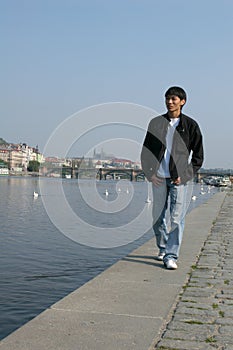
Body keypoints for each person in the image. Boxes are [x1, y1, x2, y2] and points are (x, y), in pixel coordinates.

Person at [141, 86, 204, 269]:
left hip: (178, 180)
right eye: (167, 98)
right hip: (159, 177)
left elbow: (198, 156)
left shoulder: (191, 126)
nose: (170, 102)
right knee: (157, 217)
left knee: (176, 218)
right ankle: (162, 247)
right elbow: (147, 151)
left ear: (182, 102)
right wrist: (149, 173)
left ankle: (171, 255)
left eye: (174, 99)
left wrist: (184, 176)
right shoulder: (156, 123)